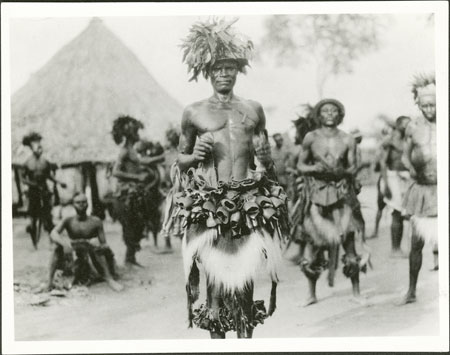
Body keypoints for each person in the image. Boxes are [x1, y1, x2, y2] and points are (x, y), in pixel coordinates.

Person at [174, 18, 288, 339]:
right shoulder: (194, 112)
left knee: (245, 278)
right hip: (210, 201)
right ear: (207, 73)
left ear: (238, 72)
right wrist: (195, 156)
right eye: (218, 69)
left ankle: (245, 339)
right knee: (215, 283)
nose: (224, 74)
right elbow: (180, 161)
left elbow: (264, 157)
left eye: (230, 68)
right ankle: (217, 339)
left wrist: (265, 161)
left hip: (248, 199)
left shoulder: (252, 109)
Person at [297, 99, 367, 306]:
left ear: (340, 115)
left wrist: (343, 172)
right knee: (315, 246)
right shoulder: (311, 138)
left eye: (334, 111)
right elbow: (301, 164)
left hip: (341, 195)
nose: (329, 114)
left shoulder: (347, 139)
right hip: (317, 195)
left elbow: (354, 166)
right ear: (319, 115)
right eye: (325, 110)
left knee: (349, 244)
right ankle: (311, 294)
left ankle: (356, 292)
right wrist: (314, 170)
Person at [401, 74, 437, 304]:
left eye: (432, 104)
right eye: (424, 105)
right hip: (423, 189)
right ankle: (411, 290)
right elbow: (405, 157)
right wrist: (414, 172)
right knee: (417, 242)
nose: (429, 109)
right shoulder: (413, 127)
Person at [112, 116, 165, 266]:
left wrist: (161, 157)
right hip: (127, 193)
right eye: (136, 132)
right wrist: (136, 177)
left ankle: (132, 258)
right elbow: (116, 172)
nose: (138, 135)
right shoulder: (124, 151)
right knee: (130, 225)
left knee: (138, 224)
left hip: (136, 192)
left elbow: (144, 162)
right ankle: (129, 260)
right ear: (130, 134)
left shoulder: (132, 151)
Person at [48, 192, 123, 292]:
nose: (81, 205)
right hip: (76, 253)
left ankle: (109, 279)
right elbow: (53, 233)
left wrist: (96, 245)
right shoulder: (69, 220)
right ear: (73, 204)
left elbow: (104, 244)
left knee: (96, 244)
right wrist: (65, 244)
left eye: (84, 202)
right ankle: (49, 283)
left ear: (88, 204)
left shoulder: (96, 221)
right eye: (78, 202)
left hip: (92, 253)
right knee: (57, 248)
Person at [21, 132, 67, 248]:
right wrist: (32, 184)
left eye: (40, 147)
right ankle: (34, 243)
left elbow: (49, 176)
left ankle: (52, 242)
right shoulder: (27, 163)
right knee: (33, 218)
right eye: (35, 147)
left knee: (48, 217)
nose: (38, 150)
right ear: (31, 149)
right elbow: (22, 178)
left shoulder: (45, 162)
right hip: (33, 192)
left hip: (44, 191)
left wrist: (59, 182)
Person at [378, 116, 411, 257]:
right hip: (392, 177)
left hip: (407, 178)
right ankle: (395, 248)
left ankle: (403, 248)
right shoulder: (389, 141)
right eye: (405, 124)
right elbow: (383, 163)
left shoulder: (408, 140)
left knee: (407, 214)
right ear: (398, 125)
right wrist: (386, 185)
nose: (408, 126)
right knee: (396, 213)